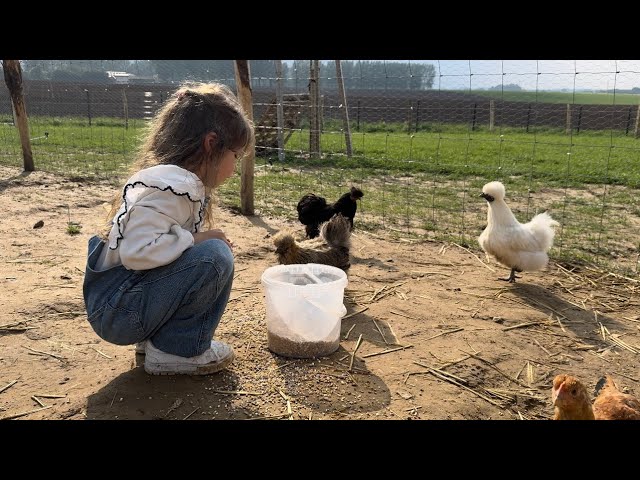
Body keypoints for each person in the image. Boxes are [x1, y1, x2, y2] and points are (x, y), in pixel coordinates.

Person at [82, 82, 254, 375]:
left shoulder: (177, 184)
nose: (235, 167)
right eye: (236, 156)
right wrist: (198, 238)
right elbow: (138, 253)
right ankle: (178, 351)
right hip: (118, 310)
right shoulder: (172, 187)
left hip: (120, 303)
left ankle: (160, 342)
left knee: (205, 252)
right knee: (214, 256)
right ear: (211, 144)